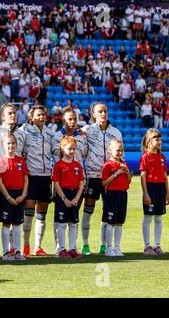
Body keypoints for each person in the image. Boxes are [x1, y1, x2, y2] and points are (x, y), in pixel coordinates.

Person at [81, 102, 122, 255]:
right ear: (94, 114)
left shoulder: (116, 132)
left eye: (105, 111)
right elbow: (82, 151)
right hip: (92, 176)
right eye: (100, 111)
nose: (103, 114)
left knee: (107, 211)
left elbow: (120, 154)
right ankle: (85, 245)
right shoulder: (87, 131)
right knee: (88, 210)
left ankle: (104, 245)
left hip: (110, 177)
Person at [20, 105, 53, 257]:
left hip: (46, 177)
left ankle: (38, 247)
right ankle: (26, 245)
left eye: (43, 114)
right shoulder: (24, 131)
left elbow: (55, 152)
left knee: (42, 214)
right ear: (31, 117)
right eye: (38, 115)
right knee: (28, 213)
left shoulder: (49, 133)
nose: (41, 117)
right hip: (31, 176)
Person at [0, 133, 28, 261]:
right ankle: (6, 252)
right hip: (6, 195)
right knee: (6, 224)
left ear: (16, 144)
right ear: (4, 145)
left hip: (19, 195)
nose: (11, 146)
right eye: (8, 143)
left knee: (17, 224)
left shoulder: (20, 160)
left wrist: (23, 195)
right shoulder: (2, 161)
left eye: (13, 143)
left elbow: (26, 179)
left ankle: (18, 251)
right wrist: (8, 197)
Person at [52, 136, 84, 258]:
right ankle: (61, 249)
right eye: (70, 148)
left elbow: (81, 183)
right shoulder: (59, 165)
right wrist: (64, 199)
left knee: (73, 223)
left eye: (74, 149)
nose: (72, 152)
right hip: (62, 196)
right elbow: (56, 183)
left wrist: (76, 198)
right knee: (61, 223)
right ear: (63, 148)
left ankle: (72, 248)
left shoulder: (77, 165)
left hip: (75, 195)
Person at [140, 129, 169, 255]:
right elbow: (143, 176)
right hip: (150, 188)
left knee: (159, 218)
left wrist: (167, 193)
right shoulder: (145, 157)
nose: (159, 142)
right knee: (148, 217)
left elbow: (165, 175)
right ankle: (147, 246)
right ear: (148, 141)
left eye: (160, 139)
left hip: (161, 189)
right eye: (156, 139)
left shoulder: (162, 157)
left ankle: (157, 245)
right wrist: (146, 193)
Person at [101, 139, 132, 257]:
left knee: (120, 222)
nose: (120, 153)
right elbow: (104, 183)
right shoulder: (107, 165)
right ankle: (109, 248)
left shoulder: (124, 163)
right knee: (111, 222)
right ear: (110, 150)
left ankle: (117, 247)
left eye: (122, 150)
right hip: (112, 194)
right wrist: (116, 173)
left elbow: (129, 181)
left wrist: (126, 170)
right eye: (118, 150)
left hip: (123, 194)